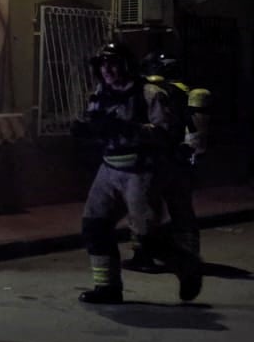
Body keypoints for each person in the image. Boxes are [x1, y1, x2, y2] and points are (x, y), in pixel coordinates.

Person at [71, 42, 202, 304]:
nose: (107, 70)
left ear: (127, 65)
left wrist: (129, 129)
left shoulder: (149, 93)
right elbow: (95, 123)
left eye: (113, 63)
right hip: (108, 168)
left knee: (148, 237)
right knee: (94, 226)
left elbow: (166, 132)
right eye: (103, 64)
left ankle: (186, 266)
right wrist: (86, 130)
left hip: (141, 171)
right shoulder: (101, 92)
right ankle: (107, 287)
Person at [128, 51, 207, 272]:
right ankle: (189, 255)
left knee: (144, 206)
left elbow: (157, 127)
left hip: (157, 159)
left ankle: (143, 256)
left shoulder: (152, 91)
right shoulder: (184, 92)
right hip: (182, 157)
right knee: (181, 208)